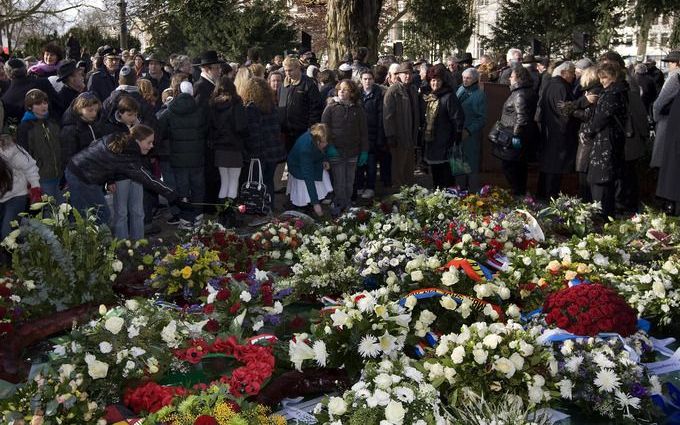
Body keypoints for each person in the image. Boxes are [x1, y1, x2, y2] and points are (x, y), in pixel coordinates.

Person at [65, 124, 178, 224]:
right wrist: (171, 194)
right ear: (138, 141)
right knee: (99, 215)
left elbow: (103, 159)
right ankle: (98, 245)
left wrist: (110, 179)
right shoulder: (127, 157)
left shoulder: (119, 139)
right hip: (81, 176)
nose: (151, 146)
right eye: (149, 142)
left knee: (96, 214)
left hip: (81, 171)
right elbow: (148, 178)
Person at [157, 80, 207, 227]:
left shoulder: (170, 111)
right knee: (198, 187)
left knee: (182, 189)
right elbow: (206, 130)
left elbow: (160, 131)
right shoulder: (200, 110)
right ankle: (198, 216)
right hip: (197, 158)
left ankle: (185, 218)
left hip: (178, 159)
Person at [583, 62, 628, 218]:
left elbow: (602, 118)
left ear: (614, 77)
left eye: (605, 77)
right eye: (601, 78)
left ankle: (602, 218)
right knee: (604, 182)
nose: (602, 81)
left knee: (601, 183)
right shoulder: (617, 92)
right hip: (609, 142)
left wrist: (588, 131)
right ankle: (605, 216)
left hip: (606, 143)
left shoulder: (612, 94)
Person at [322, 79, 368, 214]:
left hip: (353, 152)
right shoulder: (331, 107)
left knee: (350, 182)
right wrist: (329, 147)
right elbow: (323, 129)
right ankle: (338, 206)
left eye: (346, 89)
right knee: (339, 182)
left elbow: (363, 132)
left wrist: (364, 150)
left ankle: (347, 206)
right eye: (340, 89)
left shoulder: (358, 109)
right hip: (336, 152)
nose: (342, 91)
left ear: (352, 93)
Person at [242, 77, 287, 209]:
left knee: (257, 184)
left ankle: (259, 210)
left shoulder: (251, 108)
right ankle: (269, 208)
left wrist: (251, 153)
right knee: (268, 182)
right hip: (273, 152)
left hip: (260, 153)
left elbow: (254, 134)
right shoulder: (271, 106)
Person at [495, 65, 539, 196]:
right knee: (518, 166)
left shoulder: (520, 94)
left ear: (519, 78)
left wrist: (515, 137)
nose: (509, 78)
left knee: (510, 166)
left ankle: (518, 193)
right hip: (519, 135)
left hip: (514, 136)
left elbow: (522, 118)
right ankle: (519, 191)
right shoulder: (523, 91)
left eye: (512, 76)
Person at [537, 61, 578, 199]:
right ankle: (550, 197)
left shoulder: (552, 84)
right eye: (571, 72)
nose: (574, 76)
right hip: (559, 133)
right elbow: (564, 112)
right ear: (563, 72)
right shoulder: (561, 87)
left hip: (551, 132)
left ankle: (544, 195)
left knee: (549, 166)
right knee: (554, 168)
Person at [421, 64, 465, 189]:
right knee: (435, 172)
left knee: (446, 174)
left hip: (445, 141)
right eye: (433, 81)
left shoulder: (449, 96)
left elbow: (458, 118)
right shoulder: (430, 97)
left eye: (438, 80)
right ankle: (437, 194)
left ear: (443, 82)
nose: (435, 83)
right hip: (432, 141)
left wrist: (455, 137)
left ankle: (447, 198)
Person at [16, 89, 63, 202]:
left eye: (45, 102)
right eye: (38, 103)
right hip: (41, 176)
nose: (43, 106)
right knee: (50, 211)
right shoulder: (25, 127)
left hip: (58, 174)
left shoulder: (52, 122)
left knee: (61, 209)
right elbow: (24, 154)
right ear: (30, 107)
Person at [208, 75, 248, 203]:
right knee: (233, 182)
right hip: (234, 147)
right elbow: (241, 127)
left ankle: (222, 214)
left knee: (224, 182)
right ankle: (230, 214)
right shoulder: (237, 103)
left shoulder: (213, 104)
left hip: (220, 147)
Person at [383, 61, 420, 188]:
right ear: (399, 75)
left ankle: (409, 193)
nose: (407, 76)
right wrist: (390, 135)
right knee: (398, 168)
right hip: (398, 136)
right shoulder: (393, 91)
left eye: (409, 73)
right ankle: (398, 195)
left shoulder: (413, 89)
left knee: (409, 168)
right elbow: (387, 116)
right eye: (405, 73)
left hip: (411, 134)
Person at [652, 51, 680, 215]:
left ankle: (667, 202)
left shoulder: (674, 78)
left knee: (667, 163)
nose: (668, 65)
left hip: (668, 123)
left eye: (670, 62)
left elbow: (659, 103)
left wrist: (655, 118)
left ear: (676, 63)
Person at [286, 123, 333, 217]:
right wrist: (316, 204)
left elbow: (325, 150)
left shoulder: (321, 138)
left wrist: (325, 159)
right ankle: (303, 207)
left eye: (326, 142)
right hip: (298, 166)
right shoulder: (305, 148)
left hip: (313, 161)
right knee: (305, 185)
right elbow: (308, 176)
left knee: (321, 177)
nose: (326, 144)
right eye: (324, 142)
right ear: (317, 141)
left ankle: (312, 204)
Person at [0, 134, 41, 241]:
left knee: (7, 233)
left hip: (16, 195)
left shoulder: (9, 151)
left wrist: (35, 187)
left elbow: (30, 167)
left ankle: (28, 241)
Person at [279, 55, 323, 152]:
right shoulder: (283, 86)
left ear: (298, 68)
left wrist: (311, 128)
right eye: (285, 71)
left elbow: (315, 108)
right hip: (286, 132)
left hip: (303, 131)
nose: (287, 73)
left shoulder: (309, 84)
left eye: (290, 70)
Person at [356, 69, 388, 199]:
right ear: (361, 80)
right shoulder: (357, 95)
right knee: (359, 164)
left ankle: (370, 187)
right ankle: (359, 185)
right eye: (365, 79)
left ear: (373, 80)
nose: (367, 81)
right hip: (359, 135)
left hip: (373, 133)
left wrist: (380, 137)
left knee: (371, 164)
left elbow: (381, 117)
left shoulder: (378, 95)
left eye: (369, 79)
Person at [2, 58, 59, 125]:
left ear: (7, 73)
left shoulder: (5, 98)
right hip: (52, 127)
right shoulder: (43, 82)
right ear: (26, 69)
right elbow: (59, 104)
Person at [456, 67, 487, 191]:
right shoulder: (460, 89)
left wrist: (468, 131)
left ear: (474, 79)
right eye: (464, 77)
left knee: (471, 166)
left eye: (468, 78)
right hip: (458, 133)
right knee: (458, 164)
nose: (465, 80)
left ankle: (473, 195)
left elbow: (482, 119)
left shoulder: (479, 95)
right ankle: (459, 190)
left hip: (471, 136)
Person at [60, 92, 103, 166]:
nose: (94, 114)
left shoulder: (93, 123)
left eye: (96, 110)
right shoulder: (70, 130)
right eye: (90, 110)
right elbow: (68, 158)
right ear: (79, 109)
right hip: (79, 172)